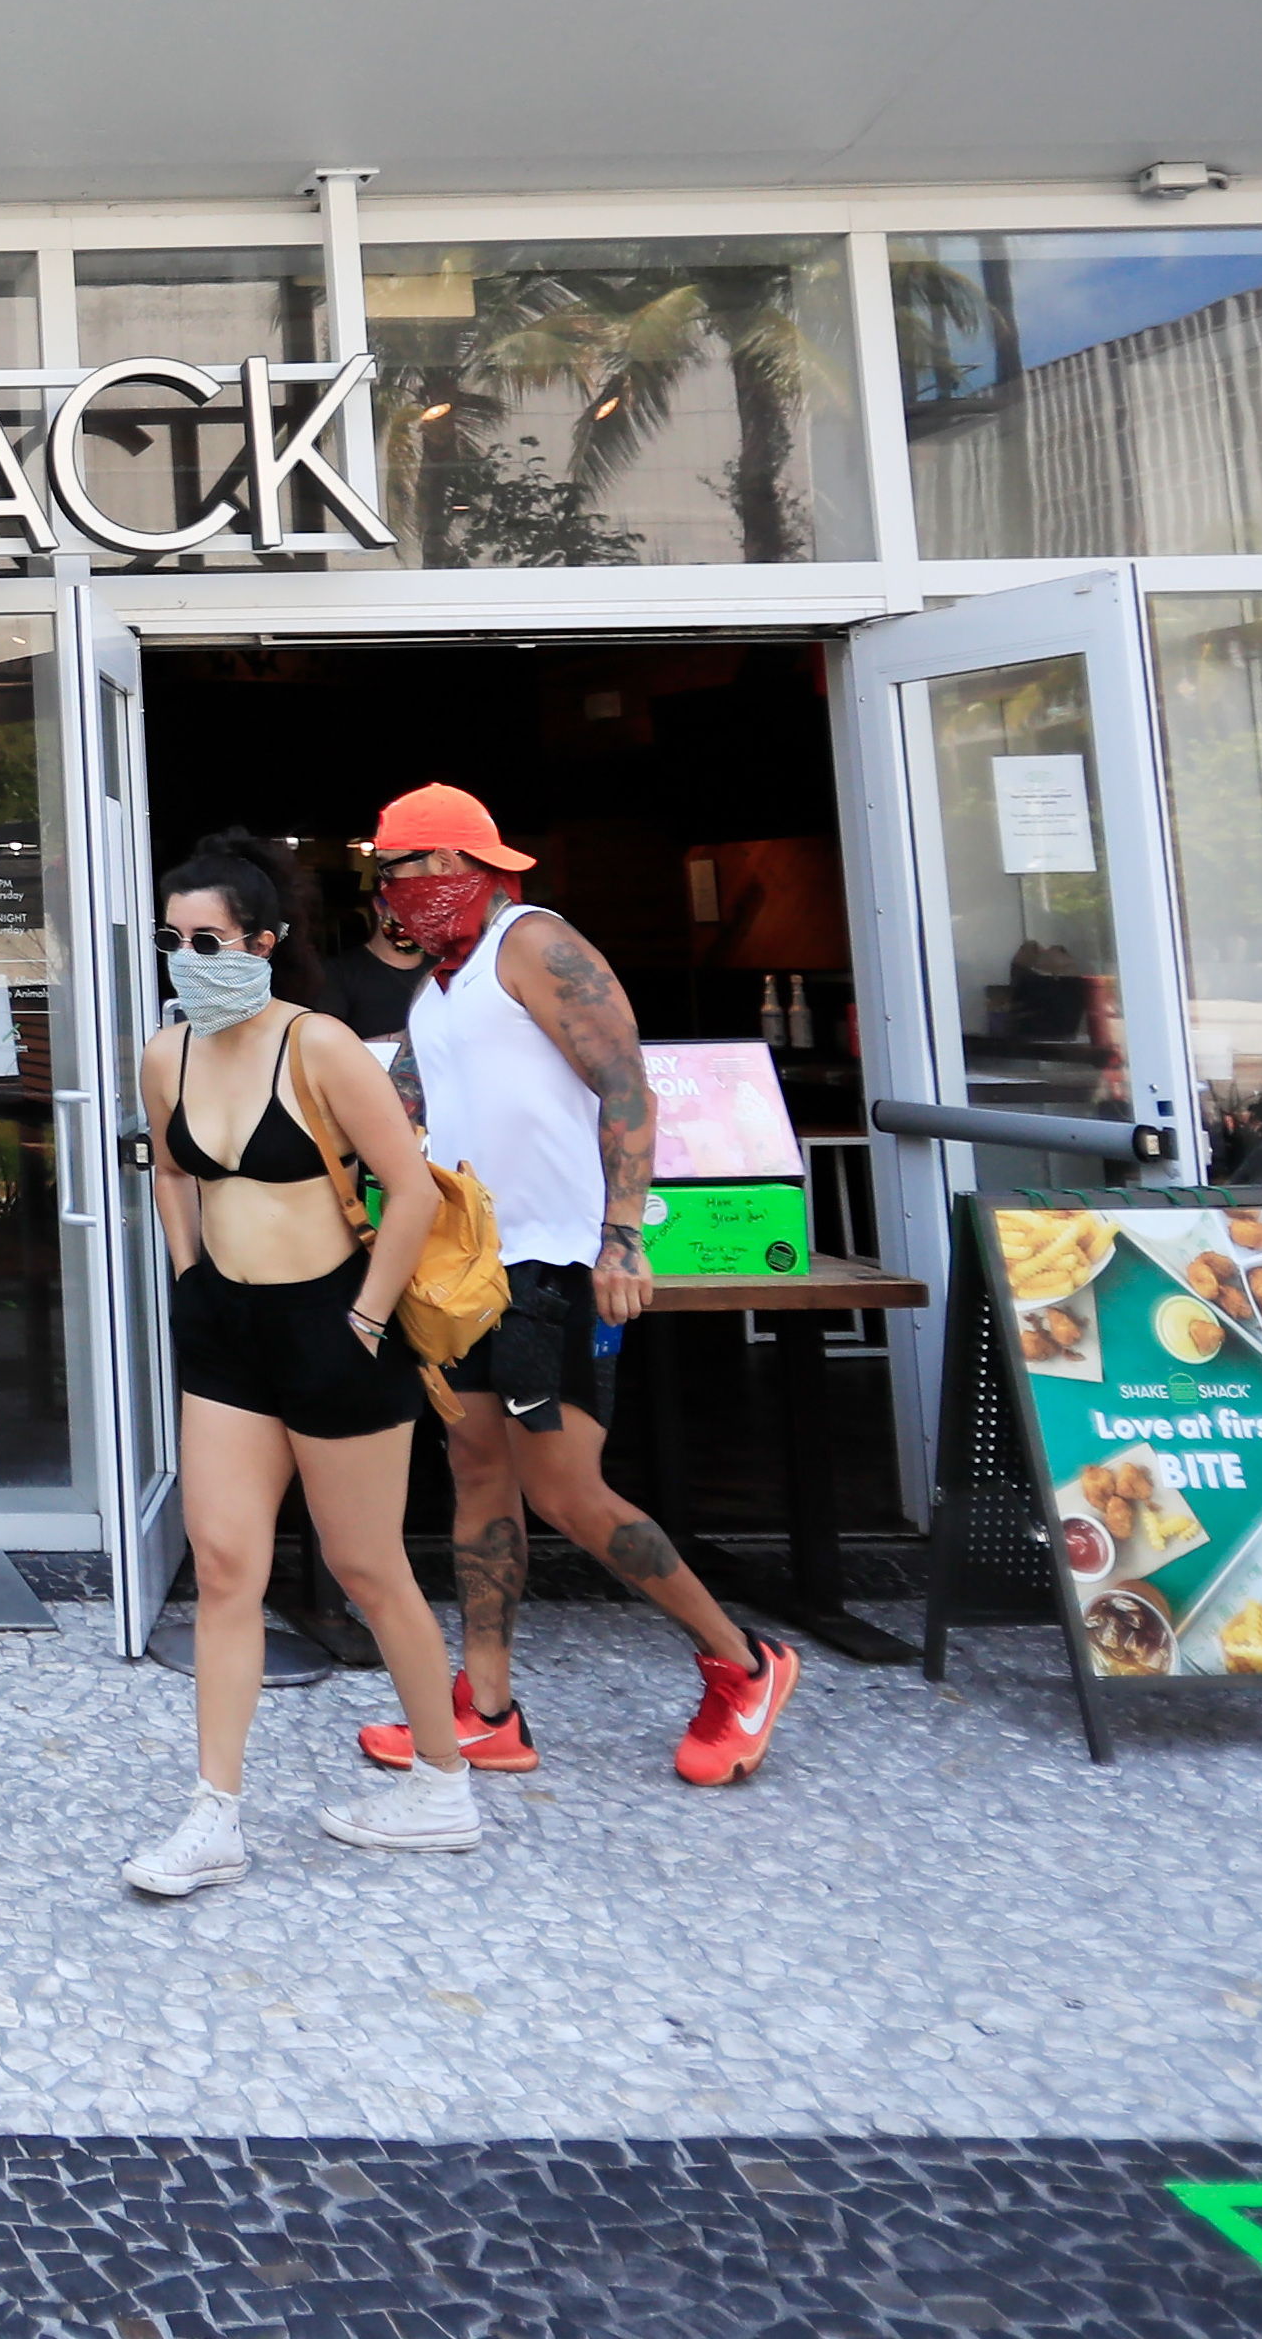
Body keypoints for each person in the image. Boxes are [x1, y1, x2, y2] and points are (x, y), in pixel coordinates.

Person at [348, 783, 802, 1787]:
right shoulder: (439, 984)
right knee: (476, 1469)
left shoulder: (534, 942)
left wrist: (622, 1235)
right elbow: (405, 1100)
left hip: (549, 1263)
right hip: (466, 1268)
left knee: (562, 1487)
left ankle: (742, 1662)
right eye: (387, 873)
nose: (395, 889)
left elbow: (624, 1079)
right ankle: (487, 1710)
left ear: (462, 864)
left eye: (407, 867)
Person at [121, 830, 489, 1897]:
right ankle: (212, 1814)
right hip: (226, 1329)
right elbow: (171, 1172)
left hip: (334, 1322)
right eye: (172, 941)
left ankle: (441, 1781)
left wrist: (366, 1318)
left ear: (263, 942)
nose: (187, 959)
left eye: (207, 940)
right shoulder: (166, 1054)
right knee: (224, 1566)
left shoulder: (317, 1044)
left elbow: (408, 1187)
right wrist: (188, 1275)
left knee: (366, 1563)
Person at [320, 903, 429, 1042]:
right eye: (405, 905)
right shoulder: (338, 973)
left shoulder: (447, 967)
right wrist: (396, 1040)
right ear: (379, 906)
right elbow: (325, 1045)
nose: (416, 917)